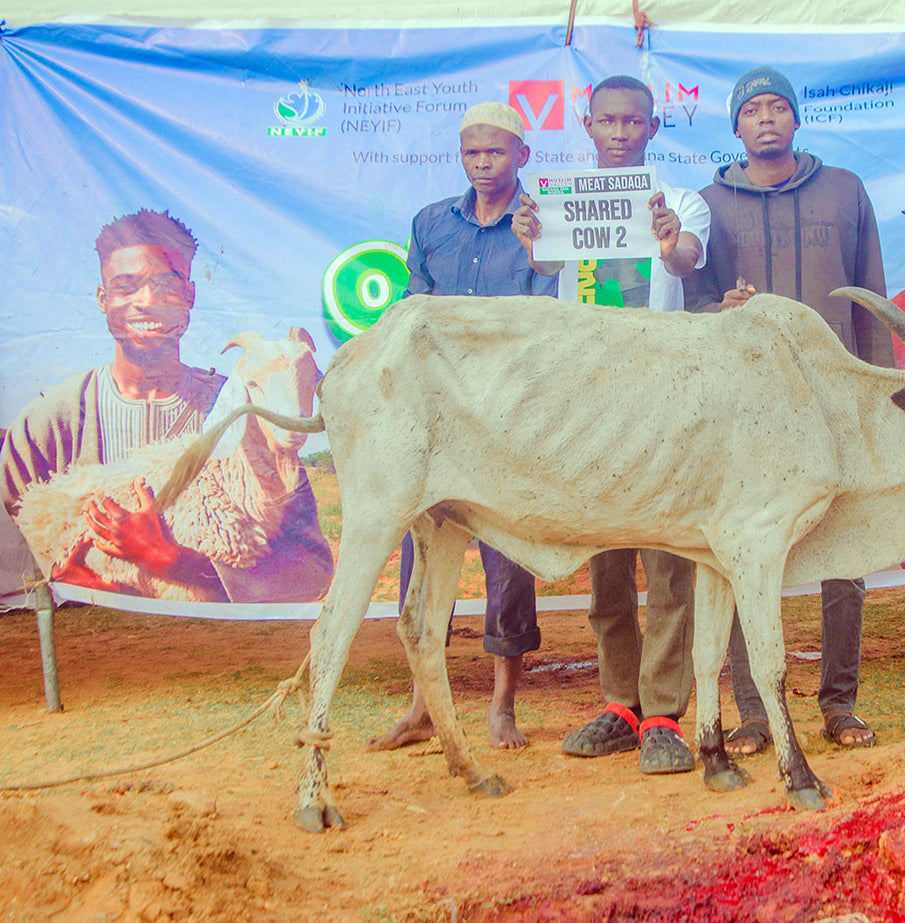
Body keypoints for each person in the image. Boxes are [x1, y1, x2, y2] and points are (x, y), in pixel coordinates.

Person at [684, 65, 893, 755]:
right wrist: (724, 309)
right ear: (736, 125)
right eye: (753, 110)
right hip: (746, 411)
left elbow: (872, 294)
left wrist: (880, 395)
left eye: (778, 106)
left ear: (796, 119)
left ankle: (840, 703)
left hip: (835, 399)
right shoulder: (709, 202)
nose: (766, 118)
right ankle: (750, 711)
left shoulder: (845, 190)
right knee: (744, 551)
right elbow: (695, 307)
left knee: (847, 552)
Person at [512, 75, 710, 774]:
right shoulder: (562, 202)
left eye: (633, 122)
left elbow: (686, 260)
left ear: (654, 127)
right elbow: (543, 263)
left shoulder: (682, 200)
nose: (620, 133)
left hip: (661, 399)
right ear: (587, 125)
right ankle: (619, 705)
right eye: (608, 122)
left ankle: (663, 714)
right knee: (606, 563)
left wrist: (669, 240)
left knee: (667, 559)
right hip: (591, 402)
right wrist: (531, 237)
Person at [0, 208, 333, 603]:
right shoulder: (50, 421)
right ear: (103, 299)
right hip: (84, 650)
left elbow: (309, 568)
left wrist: (177, 563)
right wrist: (61, 585)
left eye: (167, 285)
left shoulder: (244, 407)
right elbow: (10, 556)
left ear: (190, 295)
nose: (147, 302)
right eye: (126, 287)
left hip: (212, 652)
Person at [366, 101, 556, 753]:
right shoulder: (430, 224)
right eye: (472, 152)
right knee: (422, 556)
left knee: (508, 563)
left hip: (507, 419)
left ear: (521, 157)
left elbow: (544, 319)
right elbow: (414, 311)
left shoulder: (541, 226)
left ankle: (503, 707)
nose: (483, 163)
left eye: (496, 152)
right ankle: (422, 703)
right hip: (439, 421)